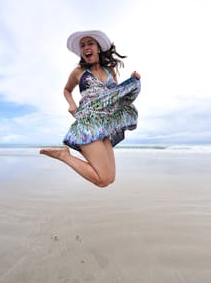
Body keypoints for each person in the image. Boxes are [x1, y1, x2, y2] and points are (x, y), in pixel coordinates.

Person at [40, 30, 141, 187]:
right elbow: (66, 90)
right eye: (83, 45)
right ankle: (64, 156)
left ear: (98, 48)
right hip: (88, 124)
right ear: (81, 52)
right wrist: (71, 104)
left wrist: (133, 81)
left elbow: (115, 95)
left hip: (104, 126)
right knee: (102, 180)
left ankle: (65, 155)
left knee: (110, 178)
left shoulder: (110, 71)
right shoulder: (78, 72)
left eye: (90, 43)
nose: (86, 47)